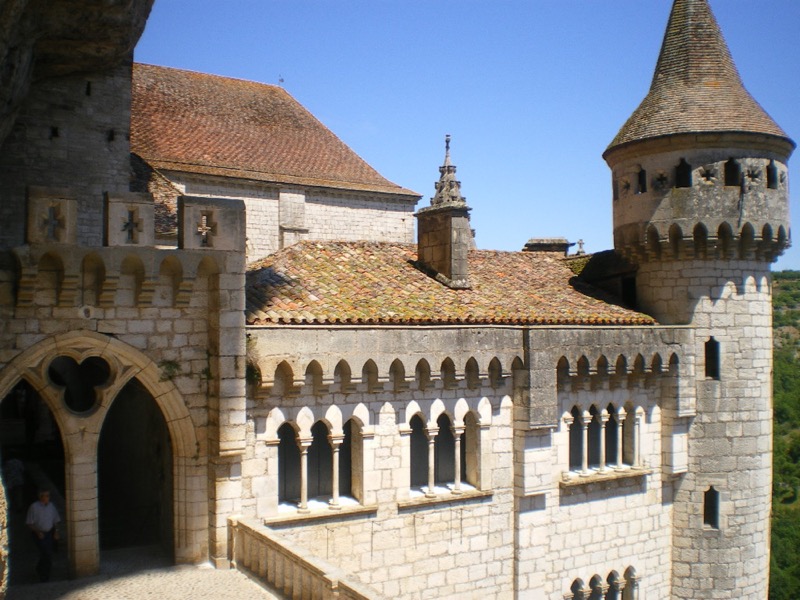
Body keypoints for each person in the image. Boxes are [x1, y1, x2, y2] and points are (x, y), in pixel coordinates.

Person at [26, 489, 60, 582]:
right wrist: (38, 532)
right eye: (45, 496)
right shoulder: (34, 507)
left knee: (47, 554)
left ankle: (42, 571)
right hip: (39, 534)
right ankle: (44, 575)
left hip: (49, 533)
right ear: (41, 497)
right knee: (45, 553)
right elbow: (30, 523)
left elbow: (55, 520)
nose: (47, 498)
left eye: (48, 496)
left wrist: (56, 531)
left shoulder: (51, 506)